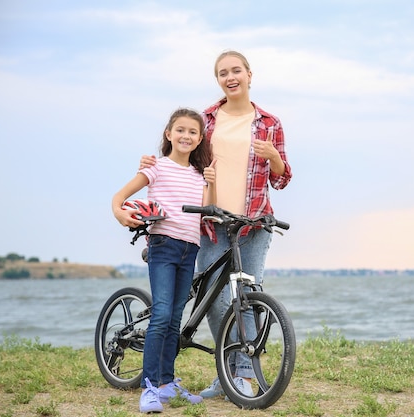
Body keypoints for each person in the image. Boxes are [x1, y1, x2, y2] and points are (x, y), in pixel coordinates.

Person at [140, 50, 292, 399]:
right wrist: (152, 162)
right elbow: (181, 154)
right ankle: (228, 373)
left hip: (252, 224)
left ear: (250, 75)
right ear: (218, 80)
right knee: (216, 299)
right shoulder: (207, 119)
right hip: (210, 222)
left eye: (236, 70)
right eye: (223, 72)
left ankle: (242, 376)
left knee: (249, 299)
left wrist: (275, 159)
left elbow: (282, 179)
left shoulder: (270, 123)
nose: (230, 76)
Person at [113, 108, 216, 413]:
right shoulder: (157, 167)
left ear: (199, 140)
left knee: (173, 320)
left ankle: (166, 385)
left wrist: (211, 182)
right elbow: (119, 198)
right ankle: (149, 388)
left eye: (193, 132)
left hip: (190, 250)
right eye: (180, 130)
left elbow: (206, 211)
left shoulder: (199, 175)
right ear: (169, 134)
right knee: (160, 316)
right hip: (163, 246)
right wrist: (120, 214)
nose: (186, 136)